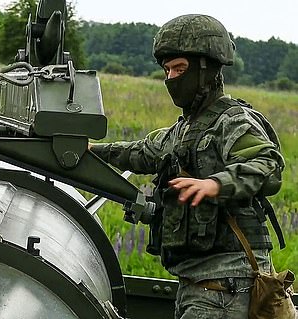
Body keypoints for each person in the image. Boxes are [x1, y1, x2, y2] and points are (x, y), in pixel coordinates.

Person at [89, 14, 285, 318]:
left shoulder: (232, 122)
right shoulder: (184, 131)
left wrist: (216, 184)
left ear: (207, 70)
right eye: (167, 70)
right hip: (196, 285)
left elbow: (268, 166)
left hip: (227, 287)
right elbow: (139, 152)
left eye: (179, 68)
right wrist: (88, 151)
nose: (171, 78)